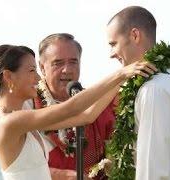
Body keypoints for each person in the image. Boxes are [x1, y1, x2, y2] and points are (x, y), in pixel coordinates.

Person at [0, 44, 156, 180]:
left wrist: (124, 78)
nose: (37, 78)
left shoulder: (22, 119)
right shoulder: (9, 123)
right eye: (31, 71)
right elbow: (72, 107)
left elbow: (86, 116)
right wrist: (120, 73)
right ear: (8, 77)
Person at [106, 6, 170, 180]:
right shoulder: (167, 78)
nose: (111, 54)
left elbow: (152, 167)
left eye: (113, 44)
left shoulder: (153, 88)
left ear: (135, 35)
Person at [30, 33, 114, 180]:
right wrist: (68, 177)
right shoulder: (28, 104)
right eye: (58, 63)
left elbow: (116, 157)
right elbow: (23, 167)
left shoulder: (98, 105)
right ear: (42, 68)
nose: (67, 70)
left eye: (73, 62)